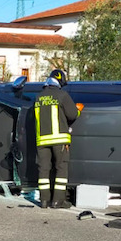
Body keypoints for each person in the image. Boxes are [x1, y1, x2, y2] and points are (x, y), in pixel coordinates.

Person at [34, 69, 82, 209]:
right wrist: (79, 109)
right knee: (61, 169)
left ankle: (44, 201)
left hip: (42, 141)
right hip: (59, 140)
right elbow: (72, 115)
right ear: (60, 81)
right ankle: (58, 201)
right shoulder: (62, 95)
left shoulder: (39, 97)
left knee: (43, 170)